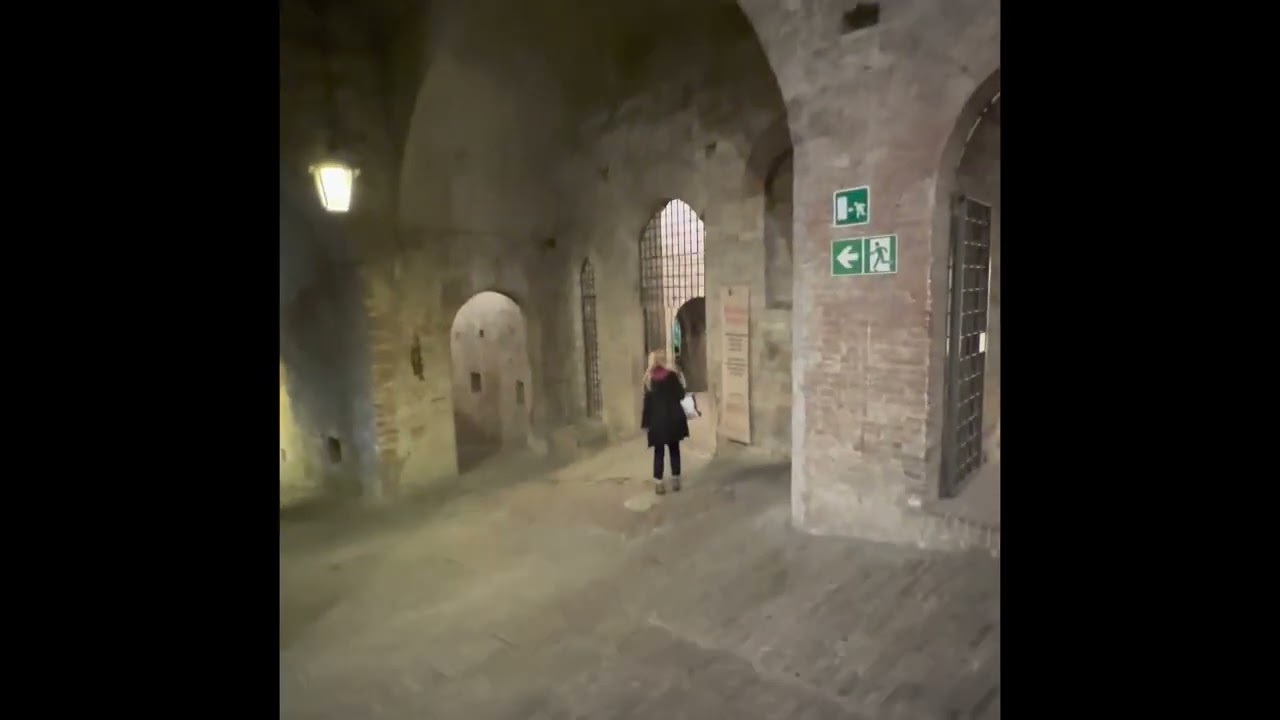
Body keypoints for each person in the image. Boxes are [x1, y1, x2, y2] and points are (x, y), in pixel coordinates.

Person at [640, 349, 690, 495]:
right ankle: (675, 480)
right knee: (674, 449)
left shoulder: (648, 380)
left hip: (657, 422)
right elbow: (681, 395)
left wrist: (645, 424)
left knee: (659, 452)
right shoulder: (672, 376)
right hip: (673, 418)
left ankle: (659, 483)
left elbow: (647, 404)